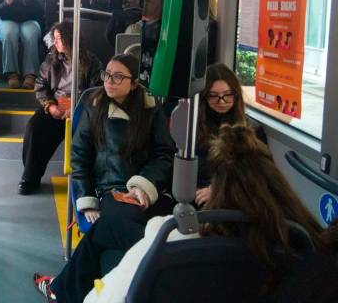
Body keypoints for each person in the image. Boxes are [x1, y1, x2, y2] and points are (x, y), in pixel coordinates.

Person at [35, 123, 338, 303]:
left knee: (109, 251)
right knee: (109, 235)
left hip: (167, 234)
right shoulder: (305, 246)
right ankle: (62, 287)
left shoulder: (177, 240)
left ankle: (61, 289)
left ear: (218, 189)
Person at [71, 53, 174, 225]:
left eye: (118, 77)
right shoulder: (94, 108)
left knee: (165, 222)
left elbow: (164, 154)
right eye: (107, 74)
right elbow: (79, 155)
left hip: (147, 187)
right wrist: (87, 197)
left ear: (134, 84)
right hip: (110, 190)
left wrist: (141, 186)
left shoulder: (151, 109)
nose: (109, 81)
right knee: (131, 222)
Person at [19, 21, 102, 195]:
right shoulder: (51, 59)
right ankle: (30, 178)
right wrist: (50, 106)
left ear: (69, 38)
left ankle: (90, 182)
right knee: (34, 127)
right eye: (54, 38)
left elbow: (96, 92)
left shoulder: (92, 62)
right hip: (56, 105)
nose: (55, 42)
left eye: (58, 38)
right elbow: (40, 85)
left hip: (81, 110)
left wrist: (77, 108)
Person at [195, 63, 268, 206]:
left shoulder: (251, 130)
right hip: (199, 194)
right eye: (213, 96)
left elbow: (258, 174)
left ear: (236, 94)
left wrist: (218, 190)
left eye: (228, 95)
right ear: (204, 97)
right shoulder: (194, 127)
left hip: (237, 195)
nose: (222, 101)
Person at [0, 0, 44, 89]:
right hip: (7, 21)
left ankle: (30, 74)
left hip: (29, 20)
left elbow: (40, 12)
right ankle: (12, 74)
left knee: (30, 33)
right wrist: (6, 3)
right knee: (9, 32)